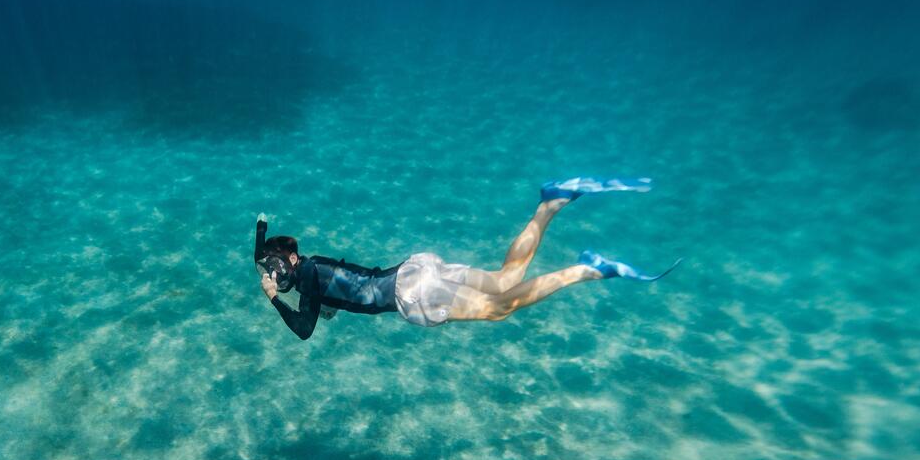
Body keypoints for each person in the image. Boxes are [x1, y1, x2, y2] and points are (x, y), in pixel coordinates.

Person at [254, 178, 677, 340]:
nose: (275, 274)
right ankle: (552, 201)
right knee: (504, 278)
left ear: (290, 257)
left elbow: (305, 329)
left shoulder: (307, 274)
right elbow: (335, 298)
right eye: (270, 270)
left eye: (275, 266)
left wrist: (274, 298)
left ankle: (591, 268)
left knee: (501, 308)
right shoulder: (312, 269)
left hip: (411, 294)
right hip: (414, 271)